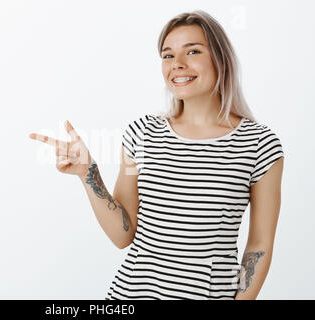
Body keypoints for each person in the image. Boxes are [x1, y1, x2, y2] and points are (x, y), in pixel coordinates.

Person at [29, 9, 284, 300]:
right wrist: (89, 173)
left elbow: (259, 245)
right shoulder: (141, 133)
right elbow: (122, 235)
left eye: (193, 51)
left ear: (220, 58)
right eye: (168, 55)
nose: (178, 64)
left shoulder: (259, 144)